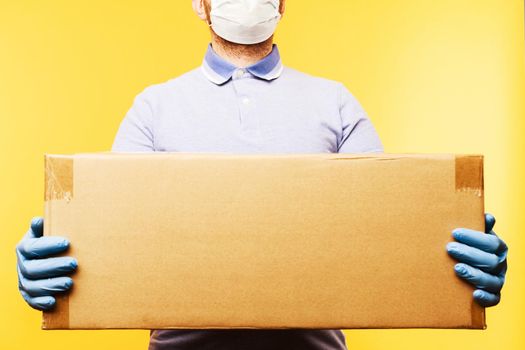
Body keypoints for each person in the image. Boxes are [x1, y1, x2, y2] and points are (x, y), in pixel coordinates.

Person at [16, 1, 508, 349]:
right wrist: (58, 266)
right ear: (198, 3)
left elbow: (385, 235)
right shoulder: (154, 107)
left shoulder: (334, 102)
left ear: (283, 3)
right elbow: (115, 240)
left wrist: (456, 263)